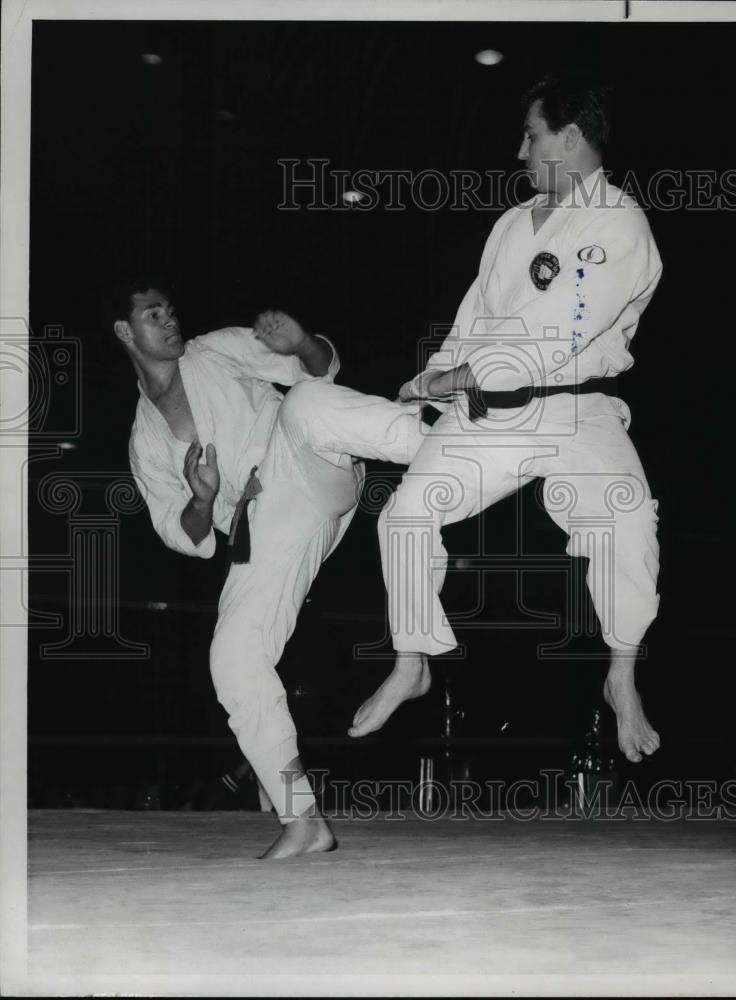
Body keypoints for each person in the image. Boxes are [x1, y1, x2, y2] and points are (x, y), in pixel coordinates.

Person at [348, 75, 663, 764]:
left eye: (532, 135)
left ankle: (621, 673)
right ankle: (413, 661)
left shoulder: (618, 224)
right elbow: (475, 319)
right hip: (491, 413)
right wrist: (438, 379)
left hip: (574, 408)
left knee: (628, 518)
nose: (520, 150)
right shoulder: (508, 225)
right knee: (404, 517)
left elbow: (558, 338)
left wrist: (460, 375)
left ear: (570, 138)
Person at [108, 279, 421, 857]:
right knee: (232, 659)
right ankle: (303, 820)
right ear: (126, 332)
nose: (172, 322)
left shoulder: (215, 350)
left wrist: (302, 343)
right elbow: (183, 535)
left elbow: (321, 372)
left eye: (172, 311)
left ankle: (446, 441)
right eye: (155, 315)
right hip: (264, 525)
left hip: (307, 463)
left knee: (304, 403)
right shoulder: (144, 443)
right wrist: (202, 500)